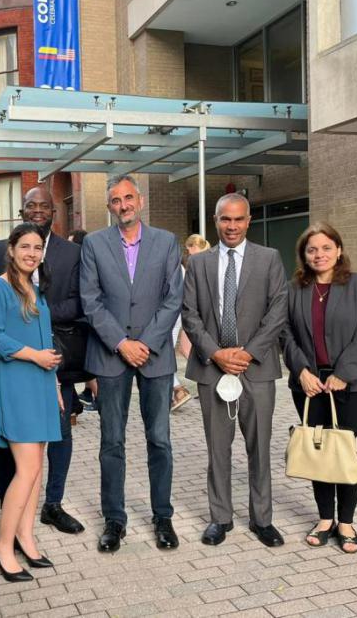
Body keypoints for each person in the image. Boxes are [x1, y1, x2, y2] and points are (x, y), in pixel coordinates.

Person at [79, 175, 183, 553]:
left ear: (140, 200)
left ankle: (162, 516)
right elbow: (90, 300)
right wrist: (122, 343)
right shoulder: (94, 244)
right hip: (111, 355)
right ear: (109, 206)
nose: (123, 205)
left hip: (155, 356)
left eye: (128, 198)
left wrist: (146, 343)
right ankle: (114, 520)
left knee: (160, 439)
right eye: (115, 200)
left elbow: (173, 299)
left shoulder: (166, 242)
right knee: (112, 441)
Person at [181, 193, 288, 548]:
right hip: (213, 369)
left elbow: (278, 311)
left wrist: (248, 353)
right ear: (215, 221)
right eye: (225, 219)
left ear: (248, 220)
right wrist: (216, 354)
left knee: (260, 448)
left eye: (238, 219)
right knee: (218, 449)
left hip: (256, 368)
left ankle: (262, 519)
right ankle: (220, 518)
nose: (232, 226)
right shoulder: (199, 263)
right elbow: (189, 314)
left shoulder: (269, 259)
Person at [0, 186, 86, 535]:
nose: (38, 210)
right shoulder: (0, 250)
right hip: (15, 365)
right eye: (32, 205)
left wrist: (39, 313)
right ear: (22, 210)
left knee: (59, 433)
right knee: (13, 440)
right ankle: (11, 509)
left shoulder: (72, 252)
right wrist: (29, 317)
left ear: (54, 212)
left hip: (56, 358)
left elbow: (80, 301)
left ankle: (53, 504)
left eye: (45, 206)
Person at [282, 223, 357, 553]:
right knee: (318, 449)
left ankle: (347, 522)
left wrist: (344, 374)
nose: (319, 254)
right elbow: (286, 333)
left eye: (326, 248)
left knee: (345, 450)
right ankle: (325, 518)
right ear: (304, 255)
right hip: (309, 385)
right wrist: (301, 371)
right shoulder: (294, 289)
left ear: (338, 250)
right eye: (312, 249)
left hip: (351, 384)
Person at [0, 223, 63, 582]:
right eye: (25, 246)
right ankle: (3, 545)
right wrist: (35, 356)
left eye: (38, 247)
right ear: (11, 250)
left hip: (41, 381)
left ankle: (26, 538)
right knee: (26, 469)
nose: (32, 253)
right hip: (15, 381)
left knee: (37, 468)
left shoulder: (36, 289)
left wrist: (54, 384)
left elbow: (46, 339)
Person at [171, 234, 212, 412]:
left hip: (188, 313)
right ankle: (186, 387)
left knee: (169, 352)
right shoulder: (191, 265)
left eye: (190, 249)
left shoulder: (201, 263)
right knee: (185, 349)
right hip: (188, 313)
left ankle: (180, 390)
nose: (188, 253)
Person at [68, 229, 99, 411]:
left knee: (89, 370)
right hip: (82, 324)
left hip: (83, 325)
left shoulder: (83, 264)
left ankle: (100, 401)